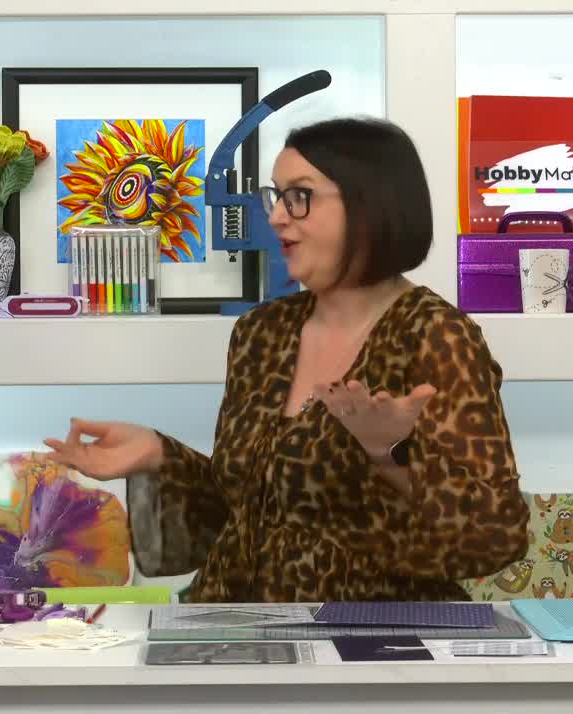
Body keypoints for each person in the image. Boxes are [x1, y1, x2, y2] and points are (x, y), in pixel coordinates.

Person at [45, 117, 529, 603]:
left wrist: (390, 456)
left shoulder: (436, 336)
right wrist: (158, 454)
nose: (277, 216)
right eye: (275, 196)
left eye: (299, 196)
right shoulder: (261, 332)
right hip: (238, 635)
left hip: (371, 650)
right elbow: (253, 514)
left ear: (370, 203)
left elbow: (491, 540)